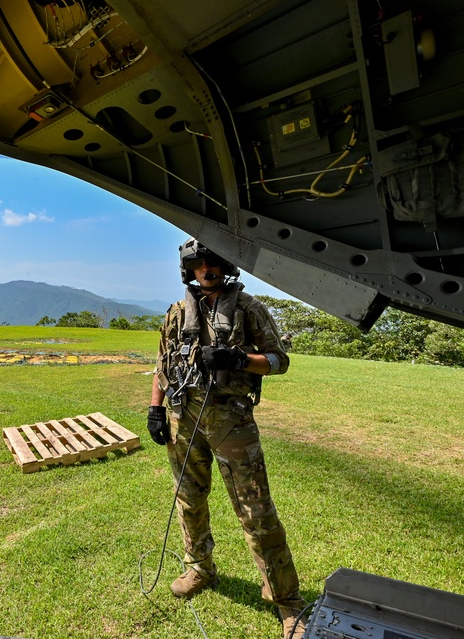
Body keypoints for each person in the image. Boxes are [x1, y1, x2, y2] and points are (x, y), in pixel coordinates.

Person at [148, 237, 307, 639]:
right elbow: (161, 364)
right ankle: (199, 568)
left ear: (226, 265)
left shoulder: (249, 309)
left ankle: (287, 600)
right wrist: (155, 408)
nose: (208, 269)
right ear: (190, 270)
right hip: (183, 417)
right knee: (188, 499)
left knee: (255, 510)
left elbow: (279, 361)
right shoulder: (176, 313)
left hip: (230, 419)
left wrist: (238, 359)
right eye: (200, 264)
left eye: (214, 262)